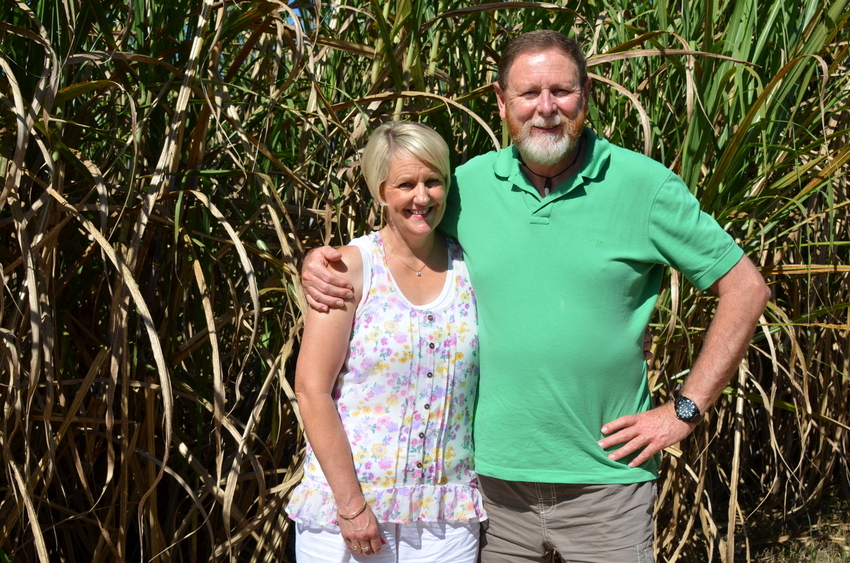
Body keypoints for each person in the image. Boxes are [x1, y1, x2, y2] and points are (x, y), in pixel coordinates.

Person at [301, 31, 770, 563]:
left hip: (605, 485)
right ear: (502, 103)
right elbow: (403, 228)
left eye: (561, 91)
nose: (545, 109)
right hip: (493, 491)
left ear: (585, 95)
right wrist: (320, 260)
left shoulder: (645, 186)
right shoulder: (469, 187)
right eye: (528, 94)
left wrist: (685, 410)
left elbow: (746, 287)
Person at [285, 121, 486, 562]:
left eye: (433, 181)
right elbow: (311, 389)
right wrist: (352, 506)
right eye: (405, 184)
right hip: (350, 514)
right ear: (380, 191)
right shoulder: (350, 268)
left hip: (446, 518)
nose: (422, 197)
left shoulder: (470, 269)